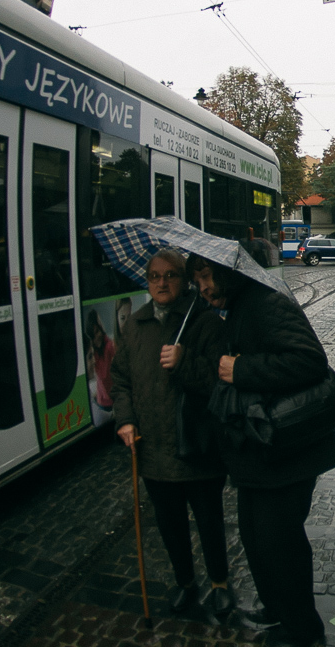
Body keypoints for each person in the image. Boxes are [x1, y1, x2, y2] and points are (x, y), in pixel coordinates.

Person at [189, 253, 335, 647]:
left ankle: (304, 631)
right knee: (255, 537)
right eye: (197, 279)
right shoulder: (234, 307)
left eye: (207, 276)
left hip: (289, 448)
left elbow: (309, 360)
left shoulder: (265, 302)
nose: (202, 286)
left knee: (280, 542)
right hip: (259, 449)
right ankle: (277, 608)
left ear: (225, 272)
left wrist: (242, 369)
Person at [110, 248, 232, 615]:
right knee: (170, 523)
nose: (162, 283)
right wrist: (125, 419)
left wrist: (184, 362)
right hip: (154, 448)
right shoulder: (135, 325)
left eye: (171, 276)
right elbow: (120, 380)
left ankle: (219, 583)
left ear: (185, 280)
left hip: (197, 445)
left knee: (209, 519)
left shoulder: (205, 322)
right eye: (154, 276)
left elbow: (218, 382)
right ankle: (185, 581)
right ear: (146, 281)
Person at [85, 309, 116, 410]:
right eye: (93, 335)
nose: (97, 337)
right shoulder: (93, 352)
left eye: (98, 331)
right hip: (101, 401)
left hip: (113, 402)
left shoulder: (110, 346)